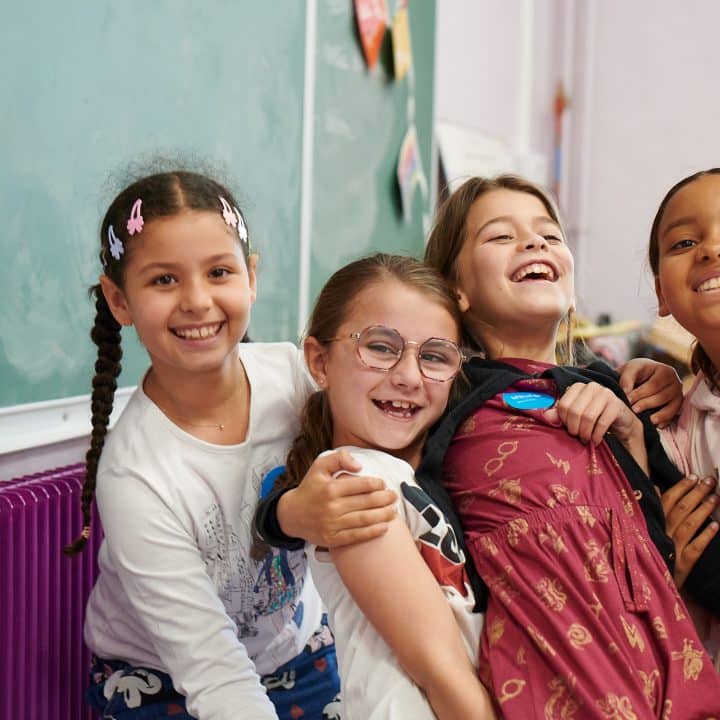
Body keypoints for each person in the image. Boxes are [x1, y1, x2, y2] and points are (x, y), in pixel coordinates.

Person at [260, 176, 720, 717]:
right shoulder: (446, 387)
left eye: (550, 234)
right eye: (501, 237)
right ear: (457, 288)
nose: (534, 244)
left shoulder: (616, 393)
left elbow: (679, 513)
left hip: (669, 679)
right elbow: (353, 450)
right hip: (555, 684)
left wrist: (643, 405)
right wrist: (285, 514)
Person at [65, 170, 357, 720]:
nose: (197, 301)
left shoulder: (300, 378)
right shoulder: (134, 474)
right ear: (118, 299)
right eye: (163, 281)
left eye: (219, 272)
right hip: (159, 681)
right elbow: (214, 671)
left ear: (251, 276)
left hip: (298, 655)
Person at [267, 253, 495, 720]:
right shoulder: (354, 482)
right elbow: (439, 670)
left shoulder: (422, 474)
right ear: (320, 361)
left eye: (434, 357)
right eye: (380, 346)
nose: (409, 376)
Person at [648, 167, 720, 667]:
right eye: (685, 242)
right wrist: (663, 565)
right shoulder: (668, 434)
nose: (710, 250)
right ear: (661, 294)